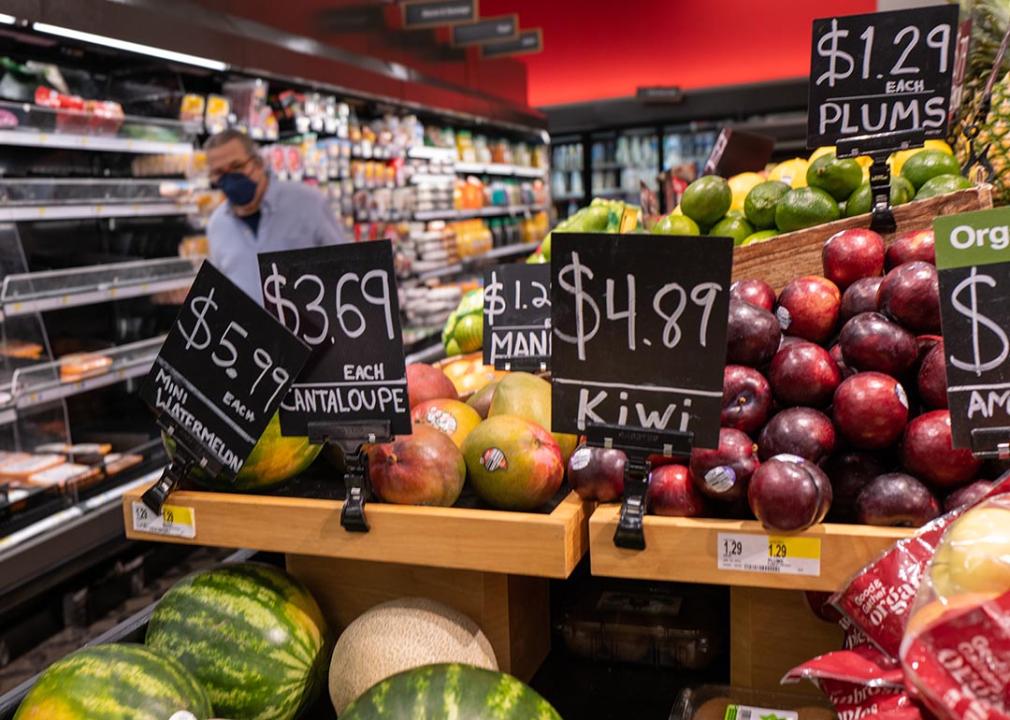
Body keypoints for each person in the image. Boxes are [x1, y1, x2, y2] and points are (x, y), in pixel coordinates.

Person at [204, 129, 348, 303]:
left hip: (311, 327)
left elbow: (346, 267)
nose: (230, 178)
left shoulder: (308, 203)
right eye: (219, 173)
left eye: (237, 166)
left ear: (258, 163)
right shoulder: (217, 225)